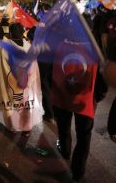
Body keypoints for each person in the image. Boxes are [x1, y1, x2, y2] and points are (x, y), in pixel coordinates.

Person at [51, 40, 98, 183]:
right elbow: (103, 78)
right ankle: (77, 172)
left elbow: (48, 70)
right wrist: (96, 97)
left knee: (64, 127)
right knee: (84, 136)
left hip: (62, 97)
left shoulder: (58, 45)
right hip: (85, 101)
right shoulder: (94, 48)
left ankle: (65, 151)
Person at [0, 23, 44, 135]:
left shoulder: (4, 48)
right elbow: (34, 68)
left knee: (12, 106)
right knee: (27, 106)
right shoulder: (29, 47)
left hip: (11, 84)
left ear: (10, 33)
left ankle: (14, 128)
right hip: (27, 86)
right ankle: (26, 129)